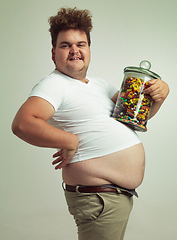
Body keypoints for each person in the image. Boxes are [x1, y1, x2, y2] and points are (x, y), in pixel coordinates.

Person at [12, 7, 169, 240]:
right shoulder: (54, 84)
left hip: (112, 198)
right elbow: (22, 124)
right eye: (65, 45)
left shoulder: (99, 85)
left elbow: (136, 117)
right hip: (98, 199)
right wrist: (70, 140)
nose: (74, 50)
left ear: (89, 49)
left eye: (81, 44)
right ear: (53, 53)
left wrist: (161, 94)